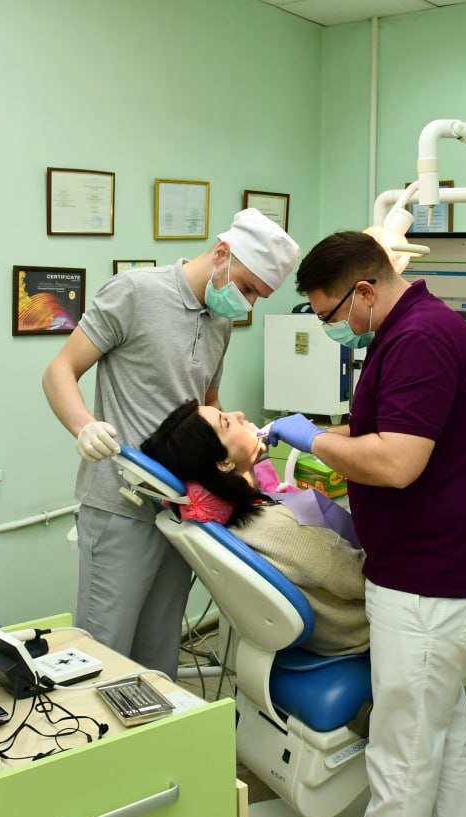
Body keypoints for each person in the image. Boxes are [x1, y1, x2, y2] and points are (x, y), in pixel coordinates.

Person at [265, 230, 466, 817]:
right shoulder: (405, 330)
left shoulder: (420, 338)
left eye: (329, 315)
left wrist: (316, 441)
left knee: (401, 759)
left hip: (432, 579)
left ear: (365, 291)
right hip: (430, 566)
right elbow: (384, 431)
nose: (330, 328)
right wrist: (327, 437)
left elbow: (399, 463)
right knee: (441, 737)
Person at [41, 209, 299, 678]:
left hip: (182, 509)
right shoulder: (134, 293)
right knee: (104, 653)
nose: (247, 304)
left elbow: (207, 402)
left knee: (160, 657)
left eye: (257, 296)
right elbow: (59, 370)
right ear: (222, 253)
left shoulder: (221, 321)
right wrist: (84, 427)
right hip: (121, 505)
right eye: (246, 287)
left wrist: (239, 446)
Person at [140, 399, 369, 657]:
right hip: (357, 637)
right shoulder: (281, 528)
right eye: (226, 422)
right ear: (224, 463)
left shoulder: (224, 521)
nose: (239, 413)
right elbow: (366, 579)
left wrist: (324, 436)